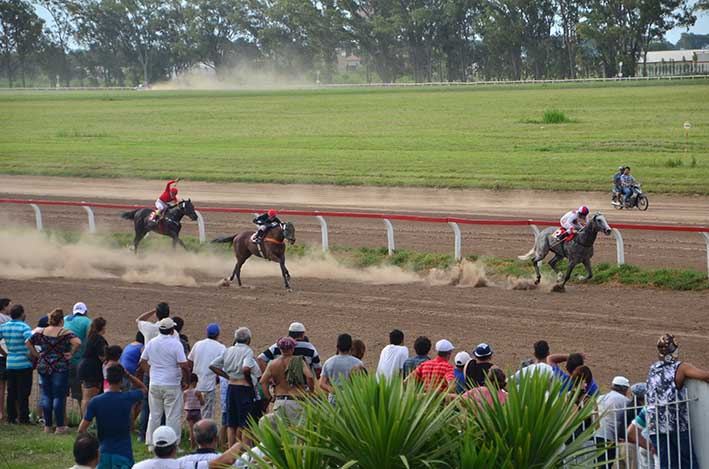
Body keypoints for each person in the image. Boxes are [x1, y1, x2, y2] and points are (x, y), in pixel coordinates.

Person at [646, 334, 709, 469]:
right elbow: (705, 376)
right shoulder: (680, 367)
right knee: (688, 461)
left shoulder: (653, 368)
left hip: (654, 424)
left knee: (667, 463)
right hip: (676, 423)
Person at [78, 364, 147, 468]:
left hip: (103, 454)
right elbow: (144, 388)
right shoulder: (128, 397)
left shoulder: (96, 401)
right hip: (124, 454)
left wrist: (94, 443)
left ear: (107, 380)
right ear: (122, 381)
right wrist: (128, 375)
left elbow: (81, 429)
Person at [26, 308, 80, 434]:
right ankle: (60, 426)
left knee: (46, 395)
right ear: (61, 320)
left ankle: (48, 426)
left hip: (44, 365)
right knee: (58, 396)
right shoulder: (64, 332)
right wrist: (71, 353)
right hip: (60, 366)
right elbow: (78, 342)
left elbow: (27, 342)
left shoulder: (41, 331)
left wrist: (37, 355)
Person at [140, 317, 190, 450]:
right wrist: (186, 380)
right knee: (172, 416)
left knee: (154, 414)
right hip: (171, 383)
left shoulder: (152, 342)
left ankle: (151, 443)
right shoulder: (176, 344)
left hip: (155, 383)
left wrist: (151, 374)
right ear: (172, 329)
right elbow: (183, 365)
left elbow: (142, 362)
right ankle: (173, 444)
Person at [210, 327, 260, 447]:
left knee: (231, 423)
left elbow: (213, 365)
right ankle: (245, 451)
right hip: (243, 388)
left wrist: (227, 376)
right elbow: (246, 368)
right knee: (246, 424)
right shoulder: (247, 351)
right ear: (248, 340)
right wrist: (249, 380)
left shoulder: (228, 350)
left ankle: (230, 451)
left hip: (231, 387)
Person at [260, 336, 314, 425]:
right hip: (295, 400)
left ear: (280, 349)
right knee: (298, 433)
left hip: (279, 401)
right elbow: (310, 377)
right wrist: (310, 392)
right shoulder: (298, 361)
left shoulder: (273, 364)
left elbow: (262, 381)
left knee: (281, 433)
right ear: (293, 348)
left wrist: (269, 397)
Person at [0, 304, 33, 424]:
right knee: (23, 393)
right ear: (21, 314)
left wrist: (5, 353)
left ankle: (11, 417)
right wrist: (32, 354)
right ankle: (23, 418)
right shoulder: (24, 327)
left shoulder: (4, 327)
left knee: (11, 391)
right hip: (24, 363)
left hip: (10, 362)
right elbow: (30, 341)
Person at [188, 323, 226, 420]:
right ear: (218, 334)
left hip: (196, 385)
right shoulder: (221, 347)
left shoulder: (198, 344)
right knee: (207, 416)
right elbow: (224, 365)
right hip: (209, 386)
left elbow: (190, 361)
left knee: (194, 414)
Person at [257, 322, 321, 378]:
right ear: (303, 335)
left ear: (289, 333)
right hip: (303, 387)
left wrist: (269, 377)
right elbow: (318, 369)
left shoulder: (278, 346)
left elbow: (261, 359)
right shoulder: (310, 348)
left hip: (280, 385)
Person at [595, 376, 630, 469]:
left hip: (597, 433)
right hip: (609, 436)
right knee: (606, 463)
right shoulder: (625, 401)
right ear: (624, 389)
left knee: (598, 463)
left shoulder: (600, 398)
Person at [319, 333, 364, 404]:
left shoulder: (329, 362)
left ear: (337, 346)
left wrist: (335, 391)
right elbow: (361, 384)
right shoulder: (358, 363)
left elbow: (321, 383)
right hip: (351, 399)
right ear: (350, 347)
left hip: (334, 399)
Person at [77, 317, 108, 416]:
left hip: (84, 367)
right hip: (92, 370)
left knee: (86, 397)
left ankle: (85, 421)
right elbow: (102, 356)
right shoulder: (99, 339)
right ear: (102, 328)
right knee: (88, 397)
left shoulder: (90, 337)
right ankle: (84, 425)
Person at [64, 302, 92, 408]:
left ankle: (62, 421)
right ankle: (83, 419)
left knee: (62, 393)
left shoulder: (66, 318)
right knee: (81, 394)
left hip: (64, 361)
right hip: (79, 361)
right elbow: (90, 340)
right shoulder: (88, 321)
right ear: (85, 312)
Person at [0, 298, 12, 422]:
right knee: (11, 387)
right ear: (4, 306)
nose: (10, 308)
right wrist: (5, 353)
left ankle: (1, 413)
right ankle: (9, 413)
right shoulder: (7, 319)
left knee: (1, 387)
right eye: (9, 306)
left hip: (3, 355)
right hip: (6, 355)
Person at [184, 373, 205, 449]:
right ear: (194, 382)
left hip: (188, 412)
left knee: (191, 429)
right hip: (197, 411)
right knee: (198, 429)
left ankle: (192, 446)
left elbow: (184, 401)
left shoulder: (185, 392)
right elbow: (202, 403)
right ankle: (199, 445)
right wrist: (202, 398)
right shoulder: (197, 392)